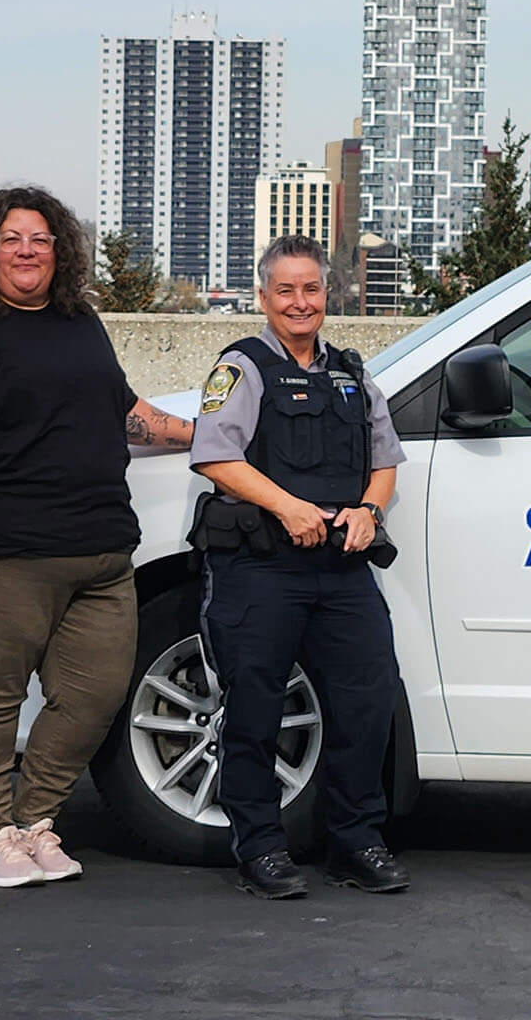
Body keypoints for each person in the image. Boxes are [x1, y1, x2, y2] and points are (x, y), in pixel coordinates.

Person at [0, 186, 195, 888]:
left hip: (98, 548)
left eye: (40, 239)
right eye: (11, 239)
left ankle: (35, 824)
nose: (27, 250)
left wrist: (208, 435)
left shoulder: (78, 322)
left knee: (96, 691)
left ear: (61, 252)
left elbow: (125, 414)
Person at [187, 235, 409, 899]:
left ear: (327, 294)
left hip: (342, 569)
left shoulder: (350, 372)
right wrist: (287, 507)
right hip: (263, 569)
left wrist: (370, 510)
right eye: (285, 290)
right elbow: (213, 454)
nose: (300, 301)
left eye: (310, 288)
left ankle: (356, 844)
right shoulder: (242, 368)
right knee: (254, 709)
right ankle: (260, 850)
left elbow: (386, 460)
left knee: (367, 703)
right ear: (264, 298)